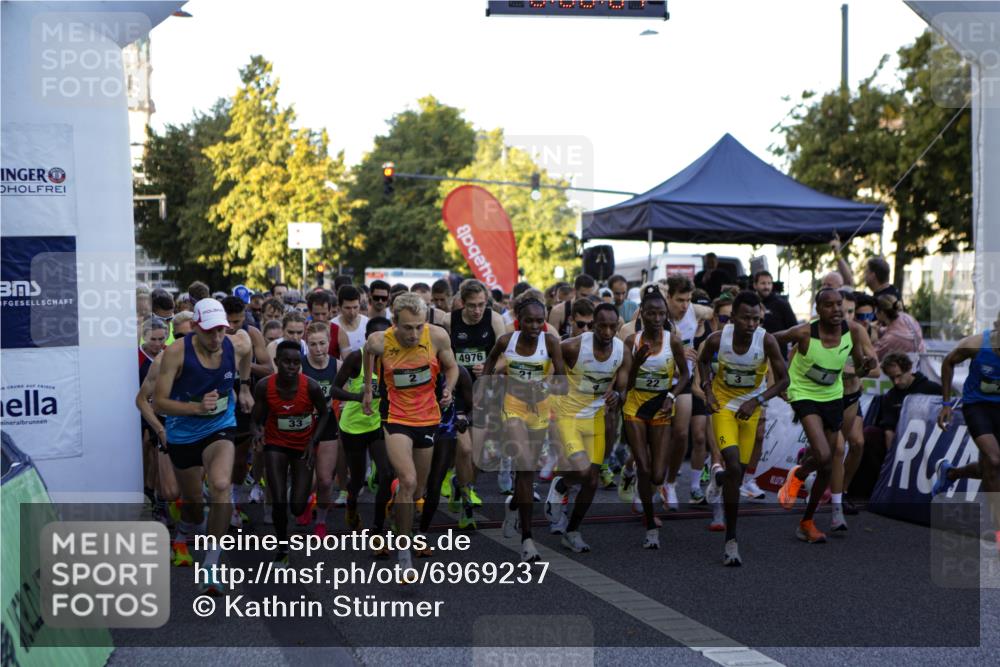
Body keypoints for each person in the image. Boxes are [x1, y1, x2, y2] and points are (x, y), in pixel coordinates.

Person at [152, 299, 254, 595]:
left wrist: (244, 387)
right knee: (194, 506)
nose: (217, 337)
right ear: (195, 327)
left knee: (221, 484)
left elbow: (246, 350)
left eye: (221, 330)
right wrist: (195, 408)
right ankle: (185, 530)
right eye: (210, 331)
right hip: (183, 433)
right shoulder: (175, 354)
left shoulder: (235, 343)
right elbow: (158, 403)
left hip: (219, 426)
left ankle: (211, 563)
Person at [361, 293, 459, 581]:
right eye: (407, 327)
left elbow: (452, 367)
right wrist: (369, 387)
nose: (414, 334)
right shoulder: (381, 341)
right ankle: (404, 556)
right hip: (395, 419)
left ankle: (399, 502)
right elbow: (366, 351)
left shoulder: (438, 337)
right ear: (395, 323)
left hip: (428, 419)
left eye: (418, 326)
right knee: (408, 480)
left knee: (417, 492)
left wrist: (448, 389)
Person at [775, 288, 877, 543]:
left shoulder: (853, 331)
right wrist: (778, 379)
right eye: (829, 305)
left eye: (839, 304)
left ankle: (806, 519)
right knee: (823, 455)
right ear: (818, 311)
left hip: (833, 395)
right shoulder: (804, 332)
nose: (837, 309)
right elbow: (771, 340)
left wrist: (866, 364)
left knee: (827, 463)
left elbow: (863, 368)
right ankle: (802, 484)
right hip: (803, 393)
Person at [699, 291, 789, 565]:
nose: (751, 324)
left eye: (756, 318)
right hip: (725, 407)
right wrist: (708, 390)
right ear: (734, 317)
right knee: (734, 465)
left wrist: (757, 400)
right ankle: (731, 541)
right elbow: (703, 362)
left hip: (751, 407)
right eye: (746, 318)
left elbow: (783, 380)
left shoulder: (767, 341)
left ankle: (719, 480)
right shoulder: (718, 338)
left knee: (737, 473)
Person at [483, 295, 567, 563]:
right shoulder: (506, 342)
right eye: (528, 320)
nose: (534, 325)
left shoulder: (551, 342)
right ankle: (528, 540)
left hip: (539, 411)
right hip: (513, 408)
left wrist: (543, 386)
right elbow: (488, 366)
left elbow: (562, 383)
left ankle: (514, 506)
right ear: (518, 320)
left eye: (539, 321)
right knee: (525, 465)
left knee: (525, 473)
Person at [546, 303, 632, 552]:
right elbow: (550, 370)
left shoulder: (621, 351)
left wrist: (618, 394)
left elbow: (623, 387)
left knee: (592, 481)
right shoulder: (572, 347)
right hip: (568, 415)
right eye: (602, 326)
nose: (607, 332)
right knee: (583, 472)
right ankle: (560, 485)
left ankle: (572, 531)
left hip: (594, 416)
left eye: (612, 327)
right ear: (593, 325)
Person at [621, 285, 689, 549]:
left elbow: (684, 375)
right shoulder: (632, 341)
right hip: (635, 406)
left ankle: (636, 477)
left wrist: (672, 397)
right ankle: (650, 526)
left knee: (658, 475)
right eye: (651, 314)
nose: (656, 319)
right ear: (642, 315)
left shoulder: (673, 340)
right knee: (645, 466)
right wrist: (636, 362)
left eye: (661, 314)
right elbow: (625, 384)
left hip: (661, 406)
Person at [250, 341, 329, 566]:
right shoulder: (265, 387)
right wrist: (257, 432)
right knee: (279, 500)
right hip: (276, 444)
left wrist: (313, 442)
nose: (291, 367)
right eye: (286, 362)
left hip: (303, 446)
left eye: (296, 362)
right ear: (276, 362)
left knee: (297, 507)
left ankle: (298, 490)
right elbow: (255, 418)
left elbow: (324, 414)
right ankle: (282, 547)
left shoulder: (311, 387)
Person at [932, 312, 1000, 547]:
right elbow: (949, 362)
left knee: (988, 467)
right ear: (997, 326)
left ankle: (951, 474)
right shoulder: (975, 344)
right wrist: (947, 404)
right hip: (977, 405)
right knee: (993, 459)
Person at [331, 317, 394, 554]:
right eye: (376, 338)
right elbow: (335, 389)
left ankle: (378, 532)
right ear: (368, 339)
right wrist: (359, 397)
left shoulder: (392, 358)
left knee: (386, 473)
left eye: (385, 337)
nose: (381, 343)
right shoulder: (357, 358)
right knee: (356, 480)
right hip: (354, 426)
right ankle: (352, 505)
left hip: (378, 424)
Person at [445, 280, 506, 518]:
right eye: (472, 305)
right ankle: (465, 491)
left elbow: (507, 357)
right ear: (462, 302)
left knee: (479, 453)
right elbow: (442, 357)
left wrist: (490, 368)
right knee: (465, 448)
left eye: (481, 305)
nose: (477, 310)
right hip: (458, 392)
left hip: (484, 390)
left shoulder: (495, 320)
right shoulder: (449, 321)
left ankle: (463, 484)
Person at [221, 296, 273, 528]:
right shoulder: (211, 335)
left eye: (237, 320)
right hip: (217, 400)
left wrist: (244, 361)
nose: (232, 326)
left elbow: (269, 370)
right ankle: (223, 502)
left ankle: (233, 497)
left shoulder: (252, 334)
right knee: (219, 455)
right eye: (229, 321)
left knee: (240, 460)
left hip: (245, 399)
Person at [662, 275, 713, 510]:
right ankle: (633, 471)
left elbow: (714, 315)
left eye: (688, 299)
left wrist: (701, 342)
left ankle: (670, 483)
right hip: (658, 381)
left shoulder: (697, 312)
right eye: (680, 300)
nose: (684, 305)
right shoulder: (656, 313)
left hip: (682, 380)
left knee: (682, 434)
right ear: (668, 296)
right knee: (657, 439)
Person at [299, 322, 341, 537]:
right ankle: (306, 499)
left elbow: (348, 392)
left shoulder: (338, 365)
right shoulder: (298, 366)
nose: (318, 349)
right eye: (313, 344)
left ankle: (321, 521)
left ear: (329, 342)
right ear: (306, 344)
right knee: (303, 480)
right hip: (304, 424)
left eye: (322, 343)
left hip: (329, 425)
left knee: (325, 479)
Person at [879, 352, 942, 448]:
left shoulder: (933, 389)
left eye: (899, 376)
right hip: (901, 440)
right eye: (891, 378)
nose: (896, 382)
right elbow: (889, 429)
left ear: (909, 369)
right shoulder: (890, 396)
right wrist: (891, 457)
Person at [754, 271, 798, 356]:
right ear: (755, 285)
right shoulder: (750, 303)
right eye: (763, 283)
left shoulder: (782, 304)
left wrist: (794, 355)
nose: (766, 287)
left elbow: (794, 330)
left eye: (769, 283)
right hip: (754, 354)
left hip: (777, 355)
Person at [873, 293, 925, 359]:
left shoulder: (890, 339)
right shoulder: (906, 317)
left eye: (875, 310)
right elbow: (898, 331)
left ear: (882, 313)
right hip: (919, 360)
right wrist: (879, 329)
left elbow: (873, 355)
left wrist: (873, 336)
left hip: (905, 366)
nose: (874, 313)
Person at [306, 289, 341, 360]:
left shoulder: (339, 331)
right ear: (310, 311)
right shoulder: (302, 329)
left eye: (324, 314)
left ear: (330, 310)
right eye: (316, 314)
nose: (320, 318)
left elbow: (346, 361)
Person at [335, 285, 369, 356]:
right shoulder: (333, 326)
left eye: (355, 307)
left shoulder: (367, 323)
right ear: (339, 307)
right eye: (347, 308)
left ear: (359, 305)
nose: (352, 312)